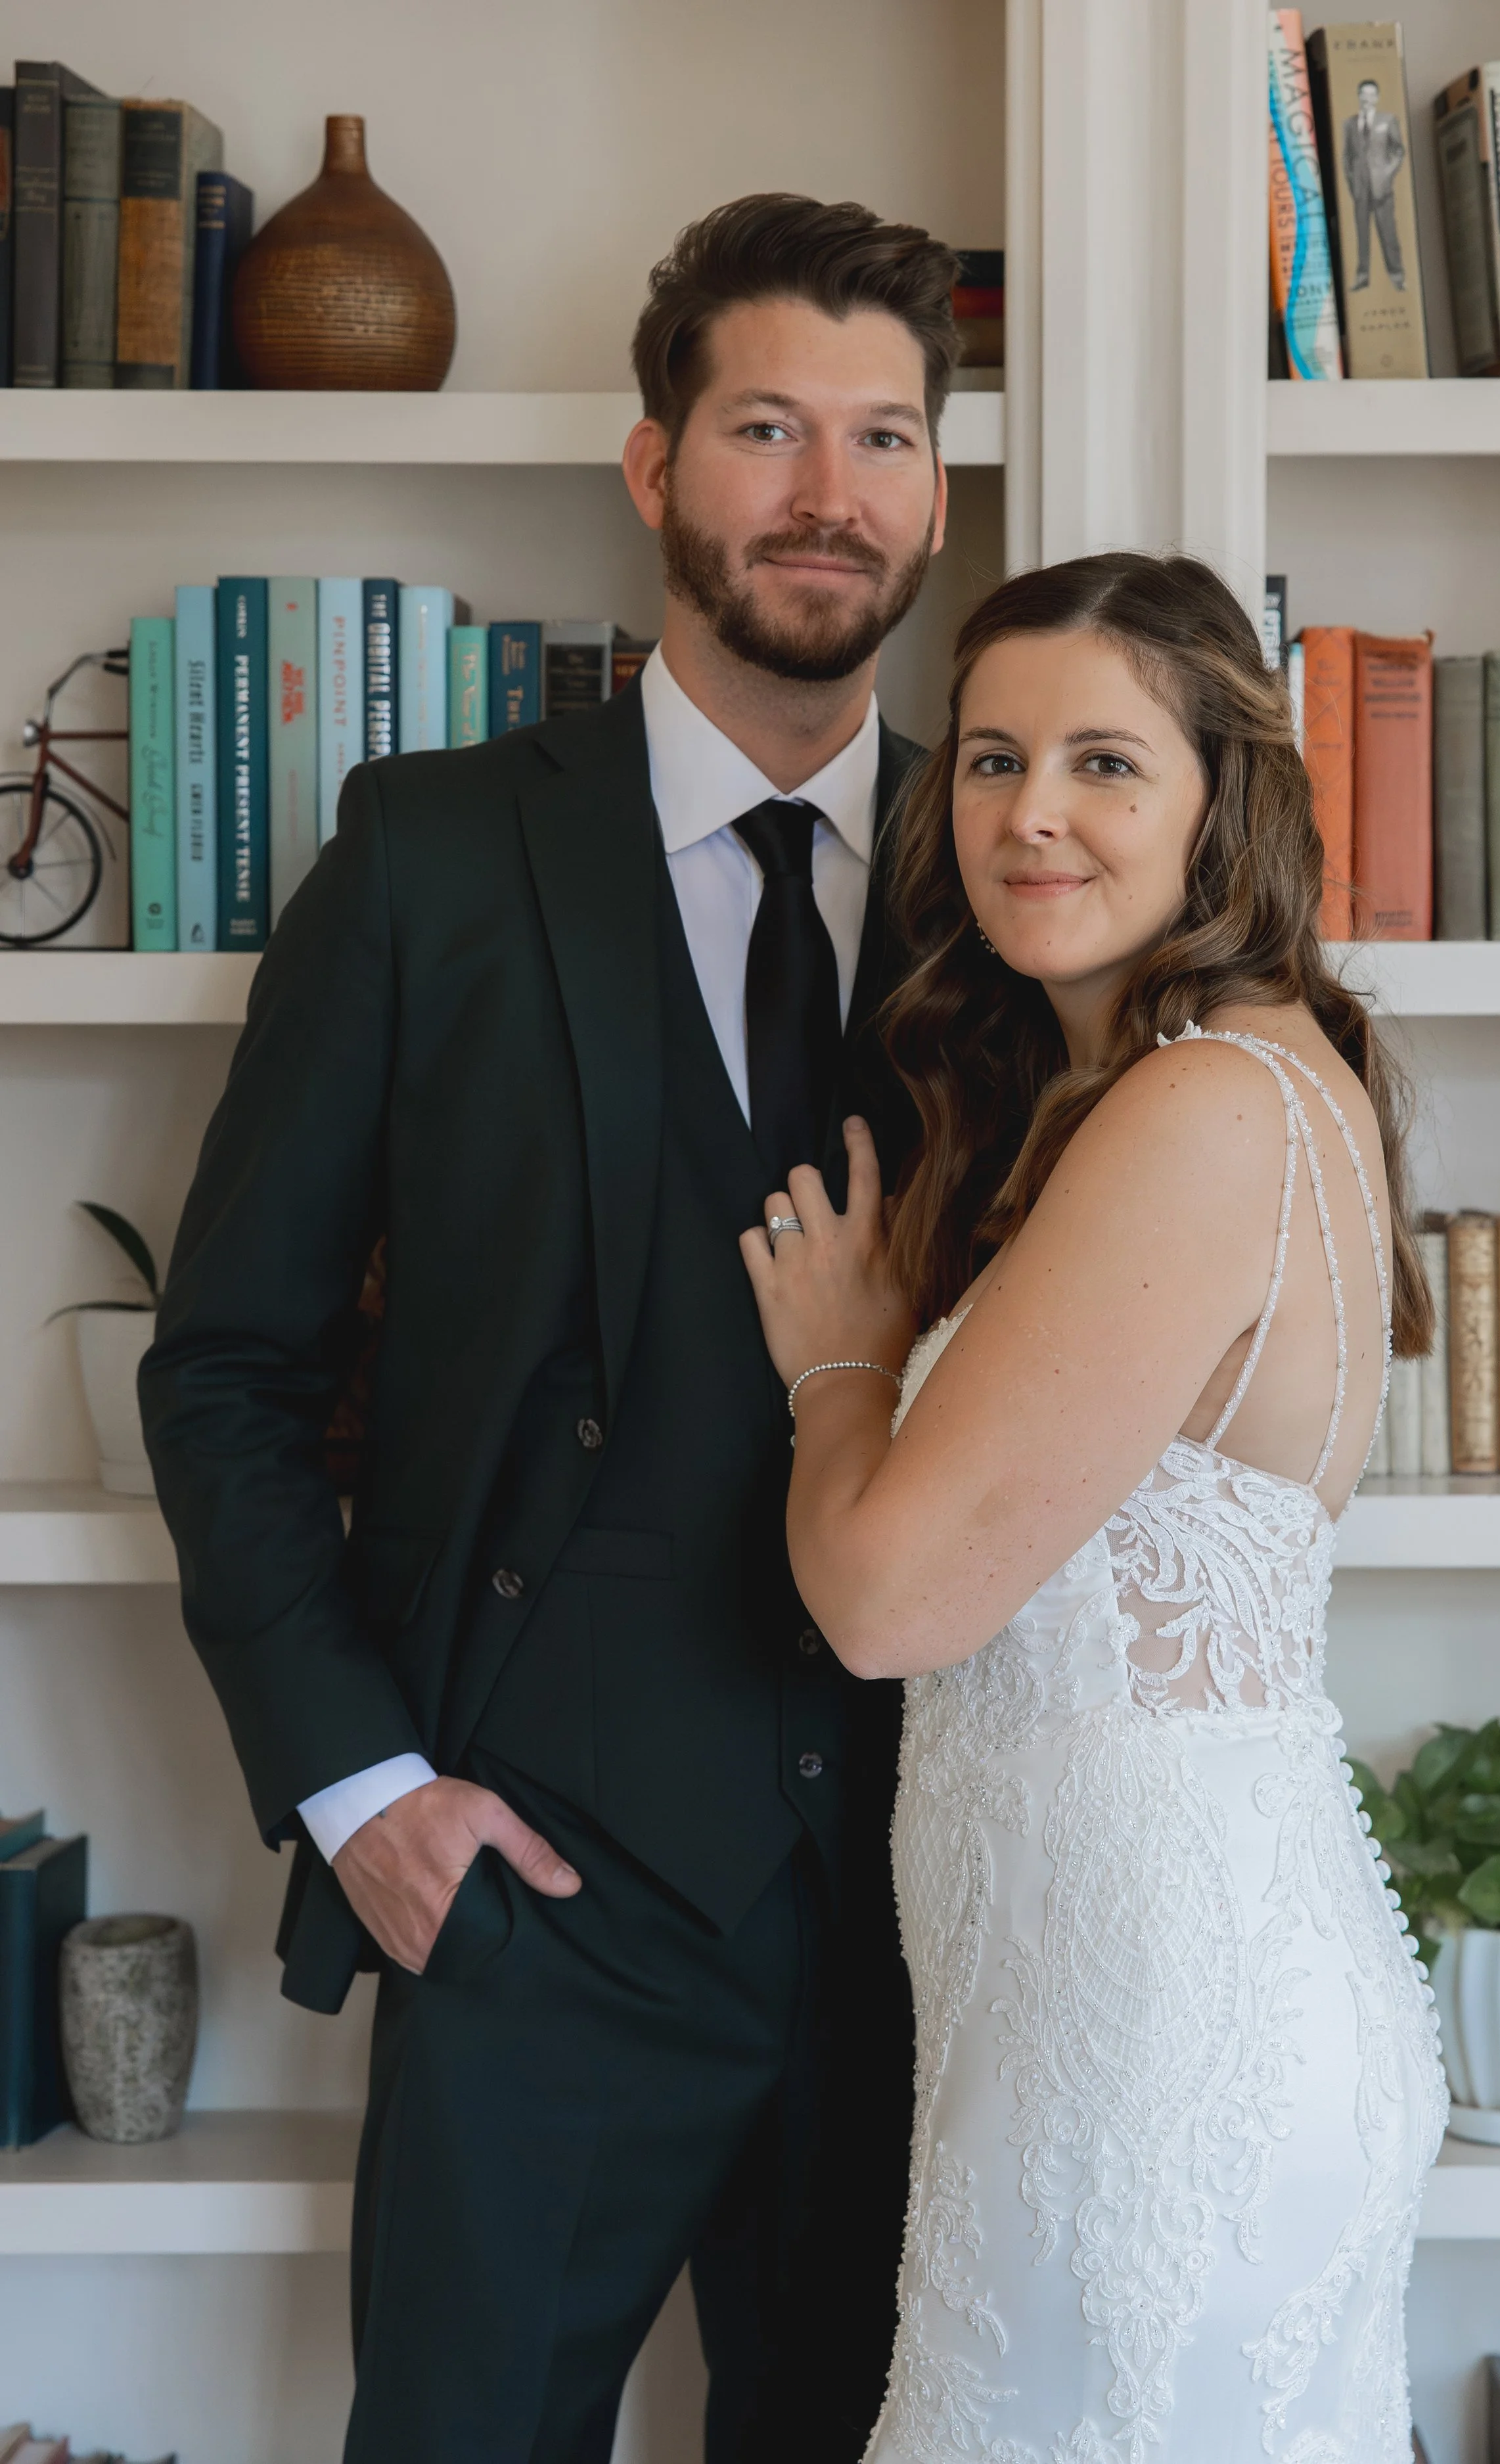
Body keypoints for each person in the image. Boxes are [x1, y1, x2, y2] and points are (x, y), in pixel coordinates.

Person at [139, 192, 957, 2464]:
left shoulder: (1010, 889)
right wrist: (365, 1795)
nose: (828, 492)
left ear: (938, 497)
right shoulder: (424, 862)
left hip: (938, 1910)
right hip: (539, 1908)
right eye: (769, 425)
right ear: (653, 465)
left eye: (882, 436)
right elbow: (222, 1374)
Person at [739, 551, 1449, 2463]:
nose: (1024, 810)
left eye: (1099, 762)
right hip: (1114, 2010)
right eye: (983, 757)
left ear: (1223, 798)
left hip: (1152, 2059)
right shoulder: (1209, 1083)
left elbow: (885, 1600)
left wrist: (835, 1370)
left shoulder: (1199, 1104)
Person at [1343, 76, 1407, 290]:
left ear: (1377, 97)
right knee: (1362, 235)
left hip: (1382, 187)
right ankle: (1362, 278)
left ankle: (1397, 276)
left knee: (1388, 233)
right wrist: (1352, 183)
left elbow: (1398, 151)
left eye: (1372, 94)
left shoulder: (1388, 120)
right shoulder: (1350, 124)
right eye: (1364, 94)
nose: (1368, 98)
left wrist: (1388, 173)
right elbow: (1347, 157)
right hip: (1360, 188)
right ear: (1359, 96)